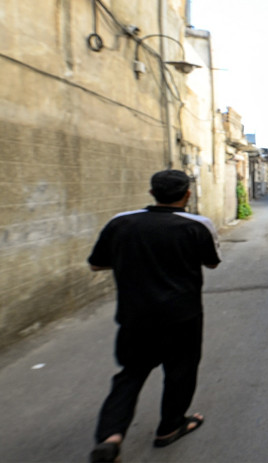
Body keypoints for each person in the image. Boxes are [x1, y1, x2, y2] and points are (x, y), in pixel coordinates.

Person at [87, 170, 221, 462]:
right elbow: (211, 262)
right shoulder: (197, 225)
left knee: (130, 374)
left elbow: (97, 264)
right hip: (182, 316)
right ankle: (170, 426)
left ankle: (111, 436)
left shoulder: (120, 222)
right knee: (180, 371)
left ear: (152, 193)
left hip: (135, 316)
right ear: (187, 194)